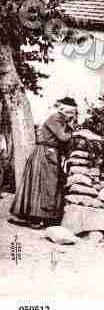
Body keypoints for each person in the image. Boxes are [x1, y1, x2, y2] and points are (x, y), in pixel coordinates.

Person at [10, 97, 78, 229]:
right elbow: (63, 137)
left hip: (50, 153)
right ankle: (37, 217)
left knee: (49, 184)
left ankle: (45, 217)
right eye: (71, 113)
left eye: (73, 113)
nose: (72, 116)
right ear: (65, 111)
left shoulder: (61, 120)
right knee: (45, 185)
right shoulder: (55, 119)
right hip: (45, 153)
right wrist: (74, 131)